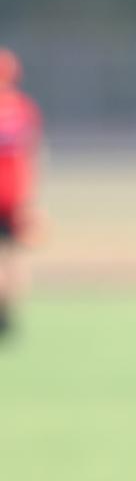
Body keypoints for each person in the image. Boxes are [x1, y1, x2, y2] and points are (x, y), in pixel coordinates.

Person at [0, 48, 43, 335]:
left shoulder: (24, 109)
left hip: (13, 200)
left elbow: (33, 155)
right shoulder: (24, 108)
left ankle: (7, 314)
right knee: (13, 259)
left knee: (15, 258)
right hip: (16, 198)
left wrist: (31, 202)